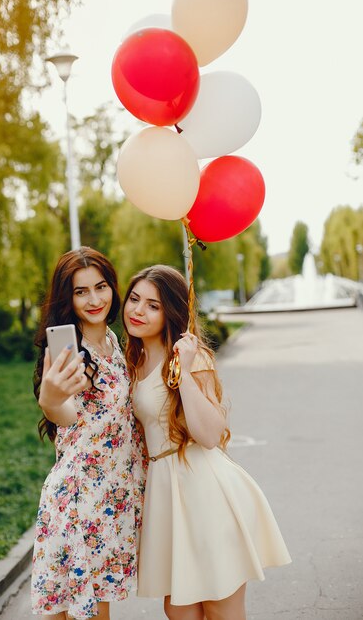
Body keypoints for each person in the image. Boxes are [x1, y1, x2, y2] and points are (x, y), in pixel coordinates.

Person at [122, 264, 291, 620]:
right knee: (178, 609)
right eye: (134, 299)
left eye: (153, 305)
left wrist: (183, 370)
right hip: (167, 494)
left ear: (171, 312)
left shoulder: (191, 355)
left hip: (203, 488)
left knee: (219, 607)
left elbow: (211, 434)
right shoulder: (132, 359)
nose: (138, 310)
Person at [31, 247, 146, 620]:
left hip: (111, 500)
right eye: (81, 291)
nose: (94, 299)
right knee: (79, 613)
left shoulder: (115, 342)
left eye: (101, 287)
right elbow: (65, 415)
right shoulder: (69, 349)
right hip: (80, 501)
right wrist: (50, 399)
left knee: (92, 611)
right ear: (68, 297)